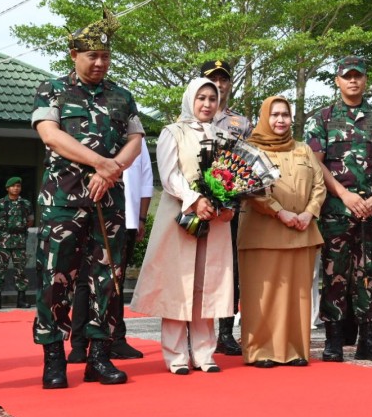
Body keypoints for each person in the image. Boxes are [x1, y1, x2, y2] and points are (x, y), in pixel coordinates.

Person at [32, 9, 144, 389]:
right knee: (55, 277)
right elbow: (50, 135)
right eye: (91, 56)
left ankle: (98, 355)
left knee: (106, 278)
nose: (99, 63)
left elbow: (135, 140)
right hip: (62, 200)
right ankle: (54, 357)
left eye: (105, 56)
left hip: (108, 203)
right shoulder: (53, 90)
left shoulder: (122, 96)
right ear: (73, 55)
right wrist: (102, 164)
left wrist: (112, 170)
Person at [130, 78, 235, 375]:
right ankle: (176, 355)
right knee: (179, 283)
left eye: (212, 99)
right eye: (201, 98)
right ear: (190, 99)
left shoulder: (225, 135)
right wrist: (195, 199)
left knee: (208, 282)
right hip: (181, 215)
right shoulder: (172, 132)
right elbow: (170, 175)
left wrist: (228, 204)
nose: (206, 104)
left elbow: (233, 177)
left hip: (214, 219)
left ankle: (204, 354)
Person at [304, 55, 372, 363]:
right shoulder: (323, 117)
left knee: (371, 273)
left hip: (371, 210)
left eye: (358, 76)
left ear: (365, 80)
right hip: (336, 210)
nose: (353, 81)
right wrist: (344, 194)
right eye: (347, 76)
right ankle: (333, 340)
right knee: (335, 273)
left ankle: (368, 340)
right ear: (338, 81)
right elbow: (316, 164)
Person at [237, 96, 326, 367]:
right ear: (265, 117)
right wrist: (280, 211)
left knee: (297, 296)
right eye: (274, 114)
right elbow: (250, 187)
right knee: (262, 296)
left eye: (285, 115)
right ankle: (261, 351)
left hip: (302, 231)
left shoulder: (303, 149)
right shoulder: (249, 148)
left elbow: (319, 185)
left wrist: (309, 212)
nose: (280, 120)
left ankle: (295, 350)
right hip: (262, 233)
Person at [68, 144, 151, 363]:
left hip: (127, 219)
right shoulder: (101, 135)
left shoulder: (137, 141)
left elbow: (145, 183)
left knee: (115, 281)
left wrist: (141, 218)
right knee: (85, 282)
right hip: (92, 213)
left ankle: (116, 339)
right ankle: (78, 343)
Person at [200, 58, 251, 356]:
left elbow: (247, 163)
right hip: (197, 205)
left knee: (229, 272)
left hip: (231, 208)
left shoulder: (241, 123)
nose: (219, 84)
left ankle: (225, 332)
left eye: (224, 79)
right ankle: (196, 330)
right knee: (194, 269)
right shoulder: (192, 118)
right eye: (213, 79)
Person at [0, 177, 34, 310]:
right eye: (13, 186)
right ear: (7, 188)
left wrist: (20, 227)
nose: (16, 188)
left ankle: (21, 300)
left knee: (21, 271)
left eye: (18, 186)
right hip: (3, 242)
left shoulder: (26, 203)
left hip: (20, 241)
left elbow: (30, 221)